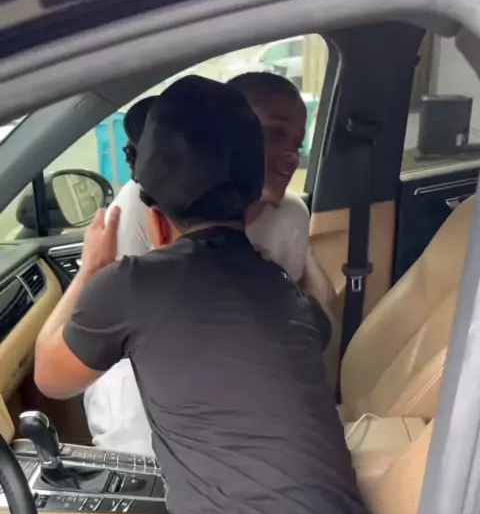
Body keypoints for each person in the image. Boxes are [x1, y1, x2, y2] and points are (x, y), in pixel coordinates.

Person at [0, 75, 385, 514]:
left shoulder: (136, 283)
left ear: (151, 212)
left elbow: (52, 376)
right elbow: (318, 323)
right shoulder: (280, 288)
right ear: (251, 196)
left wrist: (90, 267)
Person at [84, 72, 336, 455]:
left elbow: (284, 326)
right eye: (274, 134)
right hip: (145, 396)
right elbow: (114, 328)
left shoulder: (291, 218)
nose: (291, 156)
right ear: (224, 133)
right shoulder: (143, 204)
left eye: (297, 143)